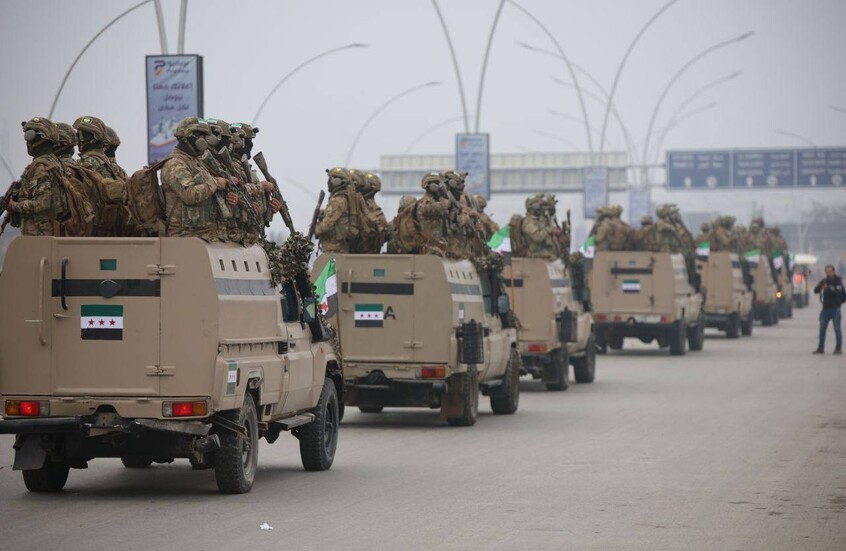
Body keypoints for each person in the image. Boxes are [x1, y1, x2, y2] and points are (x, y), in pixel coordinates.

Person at [161, 117, 228, 239]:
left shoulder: (196, 163)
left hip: (202, 235)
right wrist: (216, 183)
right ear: (187, 136)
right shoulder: (175, 164)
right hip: (183, 236)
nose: (204, 140)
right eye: (199, 135)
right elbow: (189, 194)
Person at [7, 117, 68, 236]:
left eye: (29, 136)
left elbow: (42, 203)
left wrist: (14, 206)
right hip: (47, 233)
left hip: (40, 234)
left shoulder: (41, 166)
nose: (27, 142)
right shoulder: (55, 162)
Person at [73, 116, 128, 236]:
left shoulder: (86, 163)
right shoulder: (114, 167)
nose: (77, 139)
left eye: (80, 135)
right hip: (110, 227)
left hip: (92, 227)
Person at [315, 167, 361, 253]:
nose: (329, 182)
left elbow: (327, 225)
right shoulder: (345, 198)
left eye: (331, 179)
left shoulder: (338, 200)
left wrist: (315, 229)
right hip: (339, 249)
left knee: (327, 267)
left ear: (337, 181)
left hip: (333, 249)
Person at [812, 265, 845, 355]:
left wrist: (828, 288)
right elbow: (815, 291)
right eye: (827, 272)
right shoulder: (824, 281)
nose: (828, 273)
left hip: (835, 309)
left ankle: (838, 348)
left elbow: (838, 292)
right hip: (825, 309)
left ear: (834, 272)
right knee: (822, 329)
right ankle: (821, 347)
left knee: (837, 329)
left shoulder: (838, 281)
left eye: (830, 271)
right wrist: (819, 286)